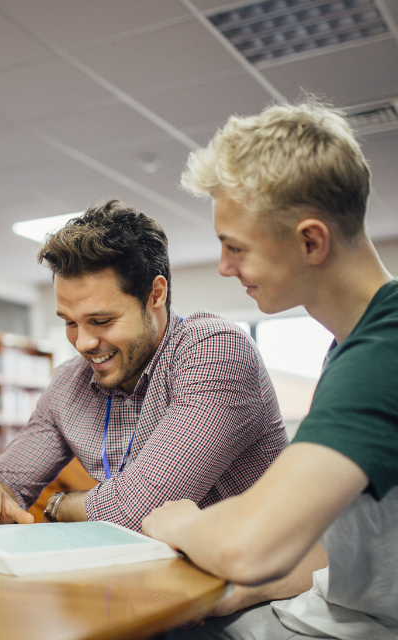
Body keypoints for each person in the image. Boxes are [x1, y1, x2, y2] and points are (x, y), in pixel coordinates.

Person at [142, 100, 398, 639]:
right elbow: (348, 547)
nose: (224, 267)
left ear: (311, 240)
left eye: (237, 247)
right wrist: (243, 591)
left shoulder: (385, 348)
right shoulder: (353, 343)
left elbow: (247, 545)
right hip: (329, 609)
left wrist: (182, 522)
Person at [0, 200, 288, 533]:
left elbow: (138, 510)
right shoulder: (70, 383)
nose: (82, 343)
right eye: (70, 322)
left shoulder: (214, 349)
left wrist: (58, 504)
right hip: (147, 577)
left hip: (254, 579)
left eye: (101, 320)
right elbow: (4, 482)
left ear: (155, 294)